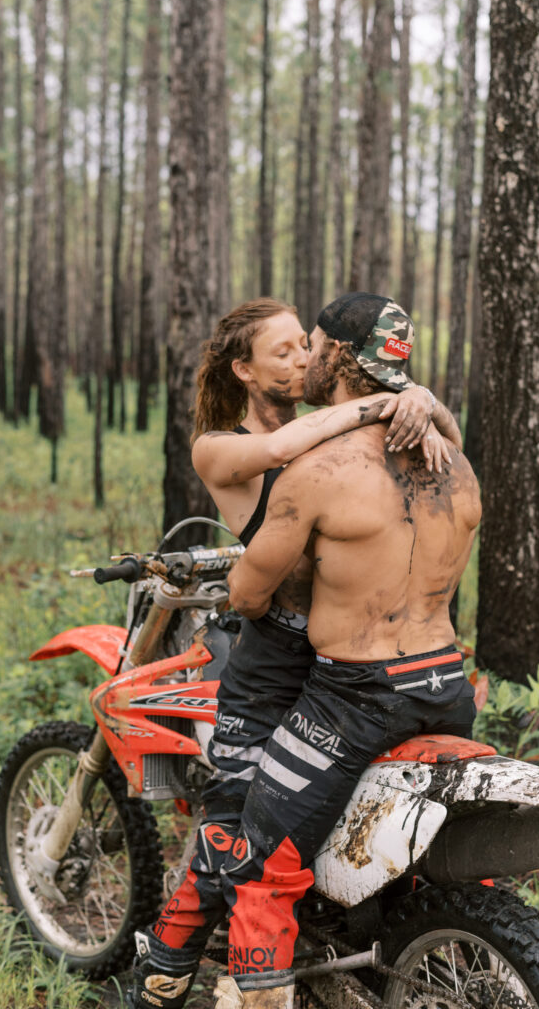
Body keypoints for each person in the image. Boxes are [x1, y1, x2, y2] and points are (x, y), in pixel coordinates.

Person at [125, 297, 462, 1009]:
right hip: (285, 656)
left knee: (264, 838)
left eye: (306, 345)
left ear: (334, 358)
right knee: (234, 813)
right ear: (244, 370)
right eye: (285, 351)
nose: (302, 357)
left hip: (345, 668)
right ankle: (163, 976)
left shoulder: (355, 444)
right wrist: (396, 402)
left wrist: (415, 400)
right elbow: (282, 454)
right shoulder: (230, 443)